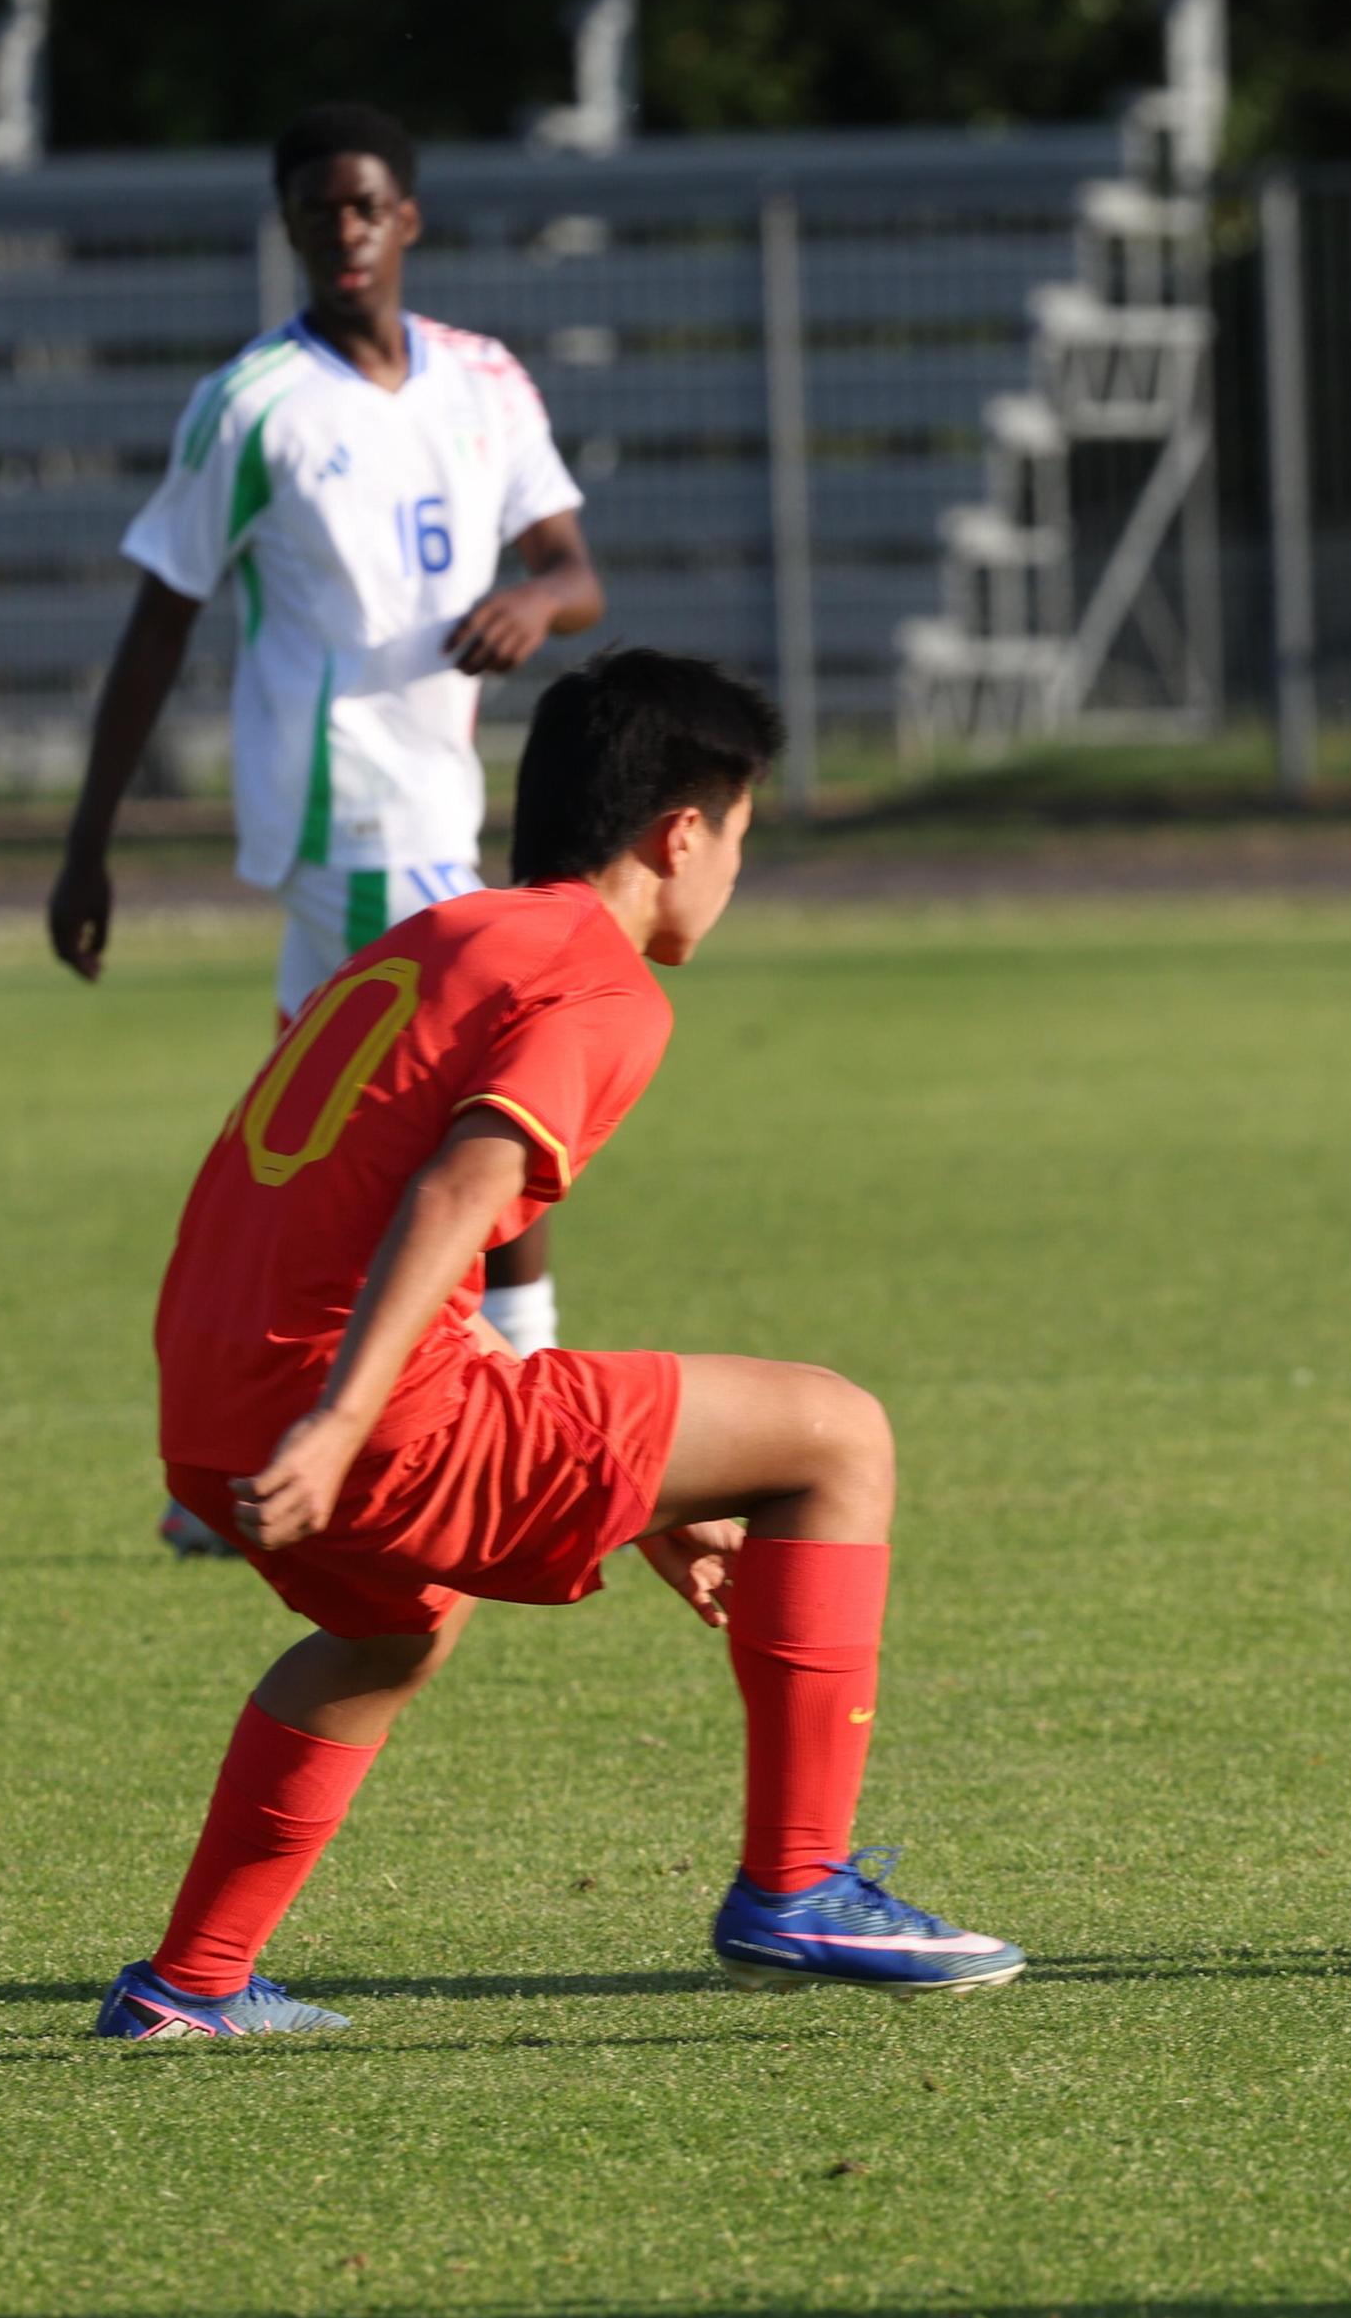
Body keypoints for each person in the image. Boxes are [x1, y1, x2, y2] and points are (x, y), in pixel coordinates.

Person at [93, 648, 1021, 2041]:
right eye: (744, 840)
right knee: (836, 1435)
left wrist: (641, 1497)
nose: (734, 876)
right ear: (682, 833)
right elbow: (462, 1190)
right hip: (341, 1412)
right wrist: (346, 1425)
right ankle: (801, 1884)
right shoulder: (600, 982)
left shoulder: (442, 938)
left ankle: (191, 1987)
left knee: (388, 1628)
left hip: (214, 1406)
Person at [44, 101, 606, 1556]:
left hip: (443, 797)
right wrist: (88, 838)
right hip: (343, 810)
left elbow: (570, 564)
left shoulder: (484, 379)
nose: (342, 233)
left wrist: (537, 606)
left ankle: (250, 1452)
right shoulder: (254, 407)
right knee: (457, 1105)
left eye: (364, 207)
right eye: (315, 212)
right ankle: (503, 1404)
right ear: (291, 229)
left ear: (408, 217)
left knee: (325, 1133)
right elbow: (159, 621)